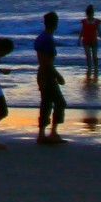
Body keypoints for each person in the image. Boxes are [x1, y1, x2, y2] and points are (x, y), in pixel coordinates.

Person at [34, 11, 67, 144]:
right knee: (60, 102)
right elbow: (47, 62)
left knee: (46, 103)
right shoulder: (48, 39)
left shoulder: (41, 37)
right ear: (55, 24)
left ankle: (42, 134)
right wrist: (57, 75)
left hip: (41, 73)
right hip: (47, 73)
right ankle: (53, 132)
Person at [78, 5, 101, 77]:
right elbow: (82, 31)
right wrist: (79, 39)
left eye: (91, 14)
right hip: (86, 40)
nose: (90, 15)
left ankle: (96, 68)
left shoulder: (96, 22)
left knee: (94, 56)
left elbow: (99, 32)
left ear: (93, 13)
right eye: (88, 14)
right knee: (88, 56)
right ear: (87, 14)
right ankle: (89, 68)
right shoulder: (84, 22)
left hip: (94, 41)